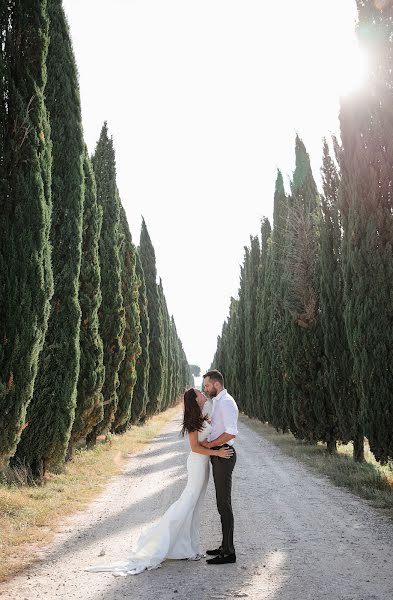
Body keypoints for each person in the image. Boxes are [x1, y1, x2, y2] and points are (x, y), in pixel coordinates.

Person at [84, 388, 233, 576]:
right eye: (200, 393)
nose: (203, 394)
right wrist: (217, 452)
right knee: (187, 502)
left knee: (196, 506)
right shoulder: (193, 420)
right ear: (195, 400)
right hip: (197, 464)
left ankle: (190, 548)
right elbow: (195, 447)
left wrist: (212, 441)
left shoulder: (201, 416)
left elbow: (205, 440)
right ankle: (165, 539)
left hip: (202, 464)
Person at [200, 369, 238, 565]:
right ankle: (224, 546)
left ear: (216, 384)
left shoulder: (226, 403)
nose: (205, 389)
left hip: (224, 454)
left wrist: (208, 445)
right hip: (218, 453)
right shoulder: (218, 402)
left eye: (207, 385)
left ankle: (229, 552)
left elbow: (231, 433)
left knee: (224, 504)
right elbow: (219, 428)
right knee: (220, 503)